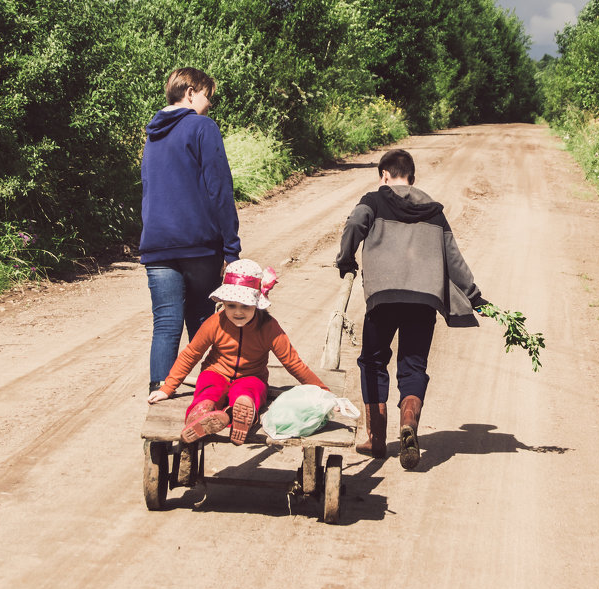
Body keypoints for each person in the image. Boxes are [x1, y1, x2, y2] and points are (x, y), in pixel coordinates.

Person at [335, 148, 486, 469]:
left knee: (373, 361)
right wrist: (473, 295)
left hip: (383, 296)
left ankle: (376, 440)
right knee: (413, 365)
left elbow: (353, 226)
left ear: (384, 175)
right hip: (423, 299)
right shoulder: (433, 210)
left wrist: (345, 259)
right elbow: (454, 258)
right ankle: (409, 425)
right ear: (413, 178)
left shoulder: (374, 200)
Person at [148, 259, 330, 445]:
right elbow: (191, 354)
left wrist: (323, 391)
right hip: (215, 372)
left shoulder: (269, 327)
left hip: (251, 376)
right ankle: (201, 413)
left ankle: (239, 415)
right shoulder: (215, 323)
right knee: (209, 389)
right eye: (231, 306)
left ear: (257, 304)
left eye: (245, 306)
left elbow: (293, 362)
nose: (238, 312)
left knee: (249, 392)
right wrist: (167, 388)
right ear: (223, 303)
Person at [139, 67, 241, 395]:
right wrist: (231, 248)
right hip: (198, 244)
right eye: (208, 97)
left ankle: (160, 394)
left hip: (157, 244)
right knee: (203, 321)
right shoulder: (201, 127)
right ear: (192, 92)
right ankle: (216, 390)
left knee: (166, 324)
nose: (210, 104)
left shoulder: (152, 135)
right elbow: (220, 189)